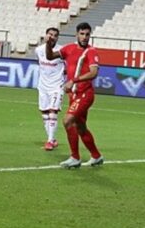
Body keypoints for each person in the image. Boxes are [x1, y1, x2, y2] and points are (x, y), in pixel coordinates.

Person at [45, 22, 103, 169]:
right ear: (76, 34)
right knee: (81, 128)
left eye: (87, 34)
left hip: (85, 94)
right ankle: (96, 156)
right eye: (82, 34)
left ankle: (75, 157)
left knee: (67, 121)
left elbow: (94, 73)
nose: (84, 37)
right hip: (74, 95)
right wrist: (48, 44)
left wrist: (73, 80)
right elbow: (50, 56)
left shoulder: (91, 51)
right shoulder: (69, 48)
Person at [35, 27, 65, 151]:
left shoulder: (61, 51)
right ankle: (52, 139)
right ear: (46, 35)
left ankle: (50, 141)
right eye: (50, 34)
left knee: (53, 111)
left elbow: (68, 66)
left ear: (57, 38)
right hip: (43, 86)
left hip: (57, 86)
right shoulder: (38, 50)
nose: (52, 37)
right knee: (45, 113)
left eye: (54, 35)